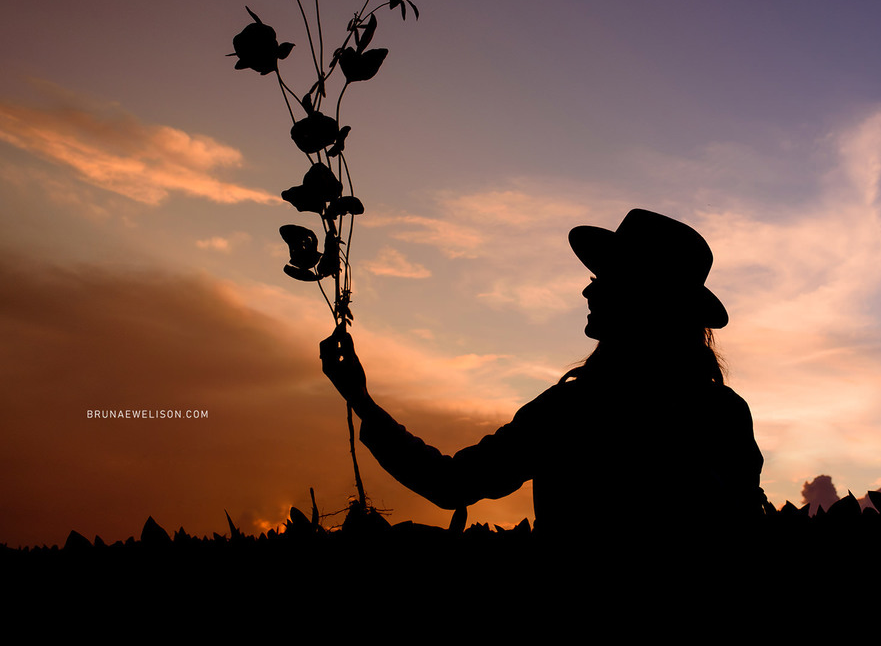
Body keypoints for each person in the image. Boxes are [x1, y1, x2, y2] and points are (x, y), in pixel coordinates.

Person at [321, 209, 765, 541]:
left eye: (606, 278)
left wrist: (361, 401)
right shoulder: (724, 413)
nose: (588, 288)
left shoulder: (574, 411)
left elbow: (451, 483)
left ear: (644, 297)